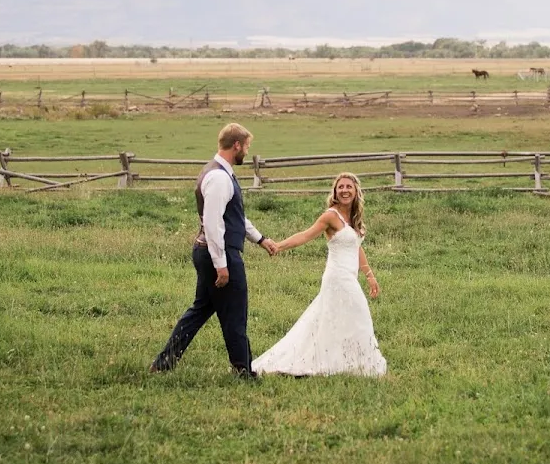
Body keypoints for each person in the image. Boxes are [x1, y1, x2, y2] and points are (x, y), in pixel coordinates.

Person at [150, 123, 278, 377]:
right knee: (235, 314)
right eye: (246, 147)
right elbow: (213, 222)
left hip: (208, 251)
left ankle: (163, 363)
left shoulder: (220, 172)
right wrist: (222, 264)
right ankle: (243, 371)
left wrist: (260, 239)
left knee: (199, 311)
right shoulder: (219, 177)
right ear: (237, 145)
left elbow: (235, 218)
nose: (247, 152)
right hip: (218, 254)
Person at [253, 172, 387, 377]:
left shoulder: (354, 218)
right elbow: (306, 235)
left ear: (356, 191)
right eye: (340, 187)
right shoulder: (331, 216)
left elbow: (356, 246)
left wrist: (369, 275)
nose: (344, 190)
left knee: (335, 320)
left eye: (348, 187)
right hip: (337, 277)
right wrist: (278, 246)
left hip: (349, 277)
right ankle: (350, 361)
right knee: (359, 315)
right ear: (335, 191)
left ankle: (345, 361)